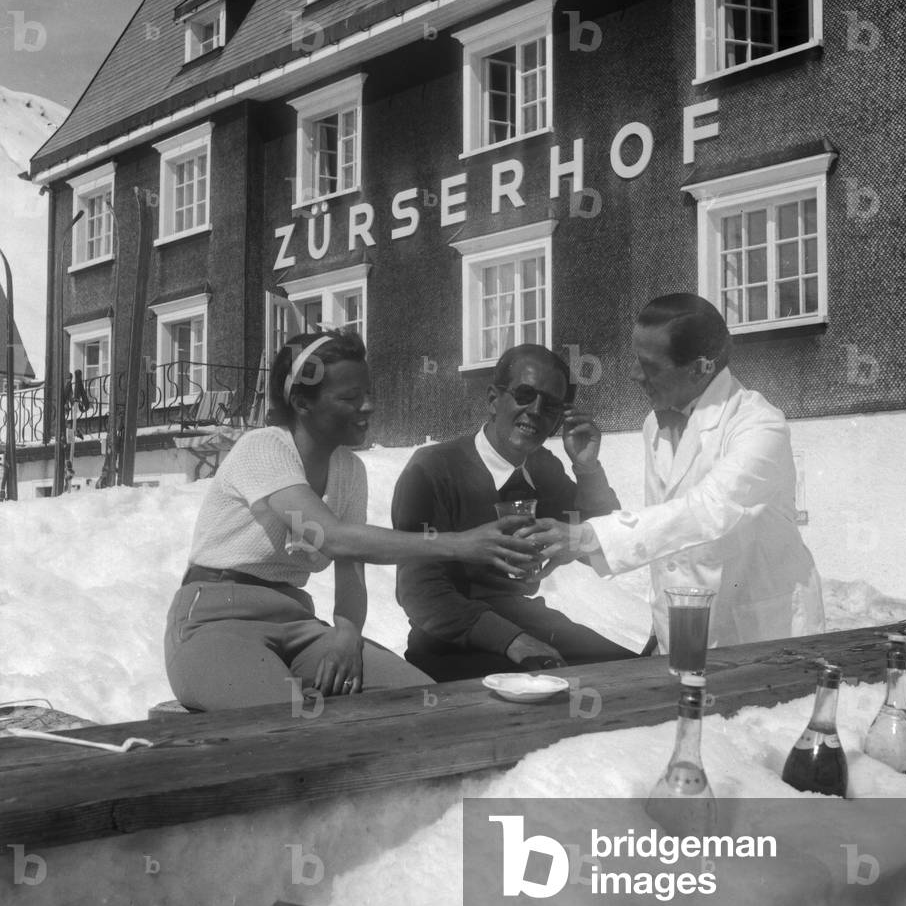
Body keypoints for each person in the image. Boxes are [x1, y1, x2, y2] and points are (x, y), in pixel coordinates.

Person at [164, 330, 539, 711]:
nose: (367, 406)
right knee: (287, 726)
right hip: (215, 619)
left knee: (424, 703)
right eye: (349, 397)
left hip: (295, 621)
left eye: (368, 394)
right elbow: (334, 539)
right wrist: (459, 544)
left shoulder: (350, 470)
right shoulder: (263, 448)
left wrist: (346, 633)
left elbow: (351, 568)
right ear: (301, 402)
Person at [525, 295, 825, 650]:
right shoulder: (655, 423)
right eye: (637, 359)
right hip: (682, 633)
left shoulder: (760, 426)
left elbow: (709, 510)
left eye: (650, 366)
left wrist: (586, 537)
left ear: (700, 368)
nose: (635, 375)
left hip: (762, 635)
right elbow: (673, 540)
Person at [391, 343, 638, 681]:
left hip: (528, 622)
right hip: (449, 640)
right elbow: (420, 592)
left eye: (551, 405)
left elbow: (599, 548)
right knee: (550, 700)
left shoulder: (543, 468)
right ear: (493, 400)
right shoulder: (433, 469)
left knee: (632, 674)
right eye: (525, 394)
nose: (536, 411)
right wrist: (513, 642)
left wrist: (588, 469)